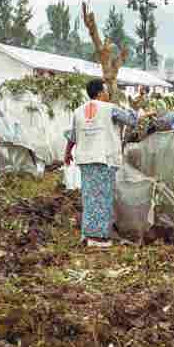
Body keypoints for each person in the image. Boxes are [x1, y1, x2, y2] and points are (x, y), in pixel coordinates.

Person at [64, 78, 138, 248]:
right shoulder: (110, 109)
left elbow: (72, 136)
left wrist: (67, 153)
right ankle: (98, 239)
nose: (107, 94)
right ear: (99, 93)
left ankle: (88, 233)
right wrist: (133, 109)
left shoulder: (78, 111)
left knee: (89, 197)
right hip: (104, 158)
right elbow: (132, 120)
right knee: (103, 198)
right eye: (105, 91)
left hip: (85, 159)